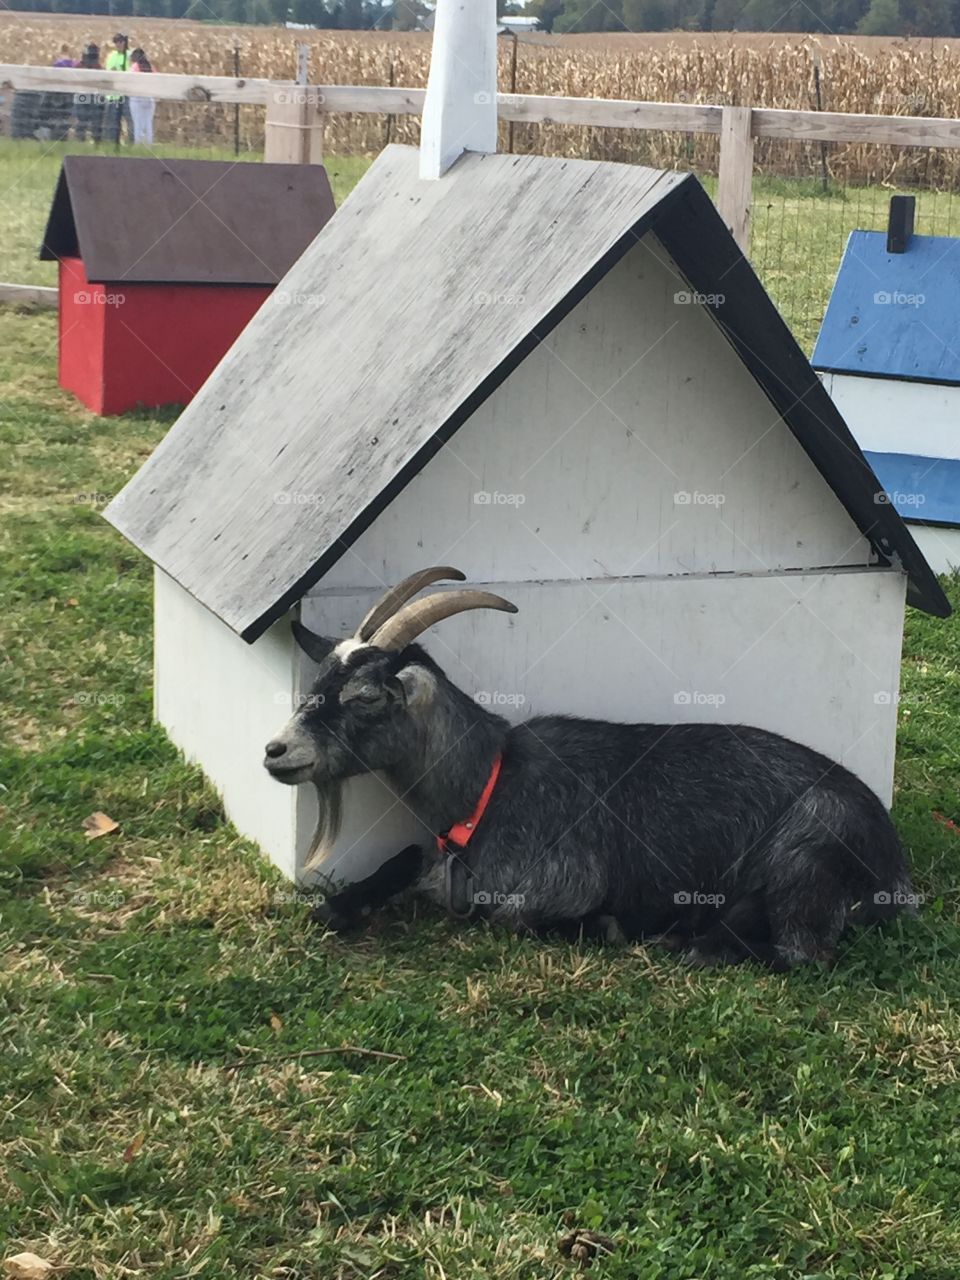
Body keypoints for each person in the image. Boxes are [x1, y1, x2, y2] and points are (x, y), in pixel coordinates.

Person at [104, 33, 132, 143]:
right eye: (116, 42)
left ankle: (130, 142)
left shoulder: (129, 55)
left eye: (121, 42)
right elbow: (108, 71)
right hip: (112, 95)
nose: (119, 44)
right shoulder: (112, 56)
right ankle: (111, 142)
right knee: (112, 121)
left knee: (129, 120)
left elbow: (131, 71)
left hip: (126, 93)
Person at [73, 43, 104, 143]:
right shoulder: (79, 66)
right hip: (82, 94)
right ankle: (80, 141)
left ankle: (96, 141)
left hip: (93, 95)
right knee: (82, 120)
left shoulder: (97, 67)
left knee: (96, 121)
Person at [129, 47, 156, 146]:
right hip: (149, 98)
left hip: (137, 97)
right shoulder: (150, 67)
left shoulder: (135, 67)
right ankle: (149, 144)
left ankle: (139, 144)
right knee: (148, 123)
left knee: (138, 123)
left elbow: (130, 82)